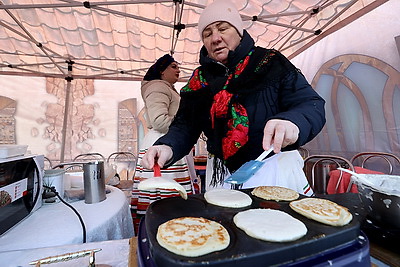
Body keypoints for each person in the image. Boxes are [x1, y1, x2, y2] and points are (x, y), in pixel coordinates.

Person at [141, 0, 326, 194]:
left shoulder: (269, 63)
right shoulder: (199, 80)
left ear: (238, 32)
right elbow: (185, 125)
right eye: (207, 33)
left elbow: (310, 103)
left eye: (223, 28)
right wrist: (167, 147)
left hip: (274, 168)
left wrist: (292, 123)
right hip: (222, 174)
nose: (216, 38)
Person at [131, 54, 196, 234]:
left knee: (164, 194)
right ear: (162, 70)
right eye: (173, 66)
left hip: (168, 142)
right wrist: (187, 125)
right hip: (162, 143)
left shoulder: (166, 88)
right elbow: (159, 121)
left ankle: (169, 228)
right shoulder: (158, 87)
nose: (178, 70)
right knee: (164, 195)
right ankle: (162, 229)